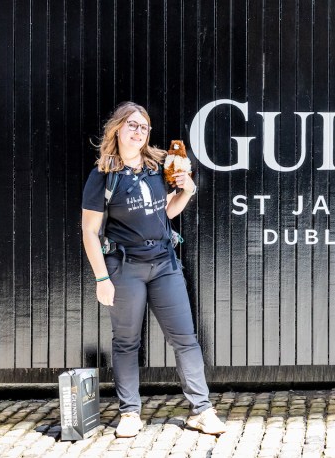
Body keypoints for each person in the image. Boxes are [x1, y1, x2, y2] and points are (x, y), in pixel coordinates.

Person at [80, 101, 227, 438]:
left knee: (185, 339)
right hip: (125, 268)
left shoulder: (158, 166)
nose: (139, 131)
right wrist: (102, 278)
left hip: (165, 265)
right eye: (132, 124)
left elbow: (166, 213)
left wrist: (188, 190)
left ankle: (202, 410)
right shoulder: (103, 175)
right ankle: (130, 413)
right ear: (117, 128)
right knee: (126, 342)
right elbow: (89, 231)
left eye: (144, 127)